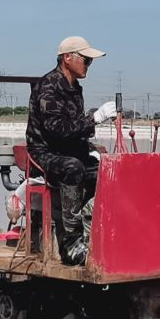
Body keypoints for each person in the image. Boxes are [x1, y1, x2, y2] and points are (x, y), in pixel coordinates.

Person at [26, 36, 117, 265]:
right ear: (68, 58)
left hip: (68, 149)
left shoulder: (75, 88)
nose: (88, 65)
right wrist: (94, 118)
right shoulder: (48, 86)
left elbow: (74, 129)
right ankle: (70, 244)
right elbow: (56, 130)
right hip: (46, 152)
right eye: (86, 60)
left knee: (106, 172)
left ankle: (93, 231)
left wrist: (91, 148)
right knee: (73, 168)